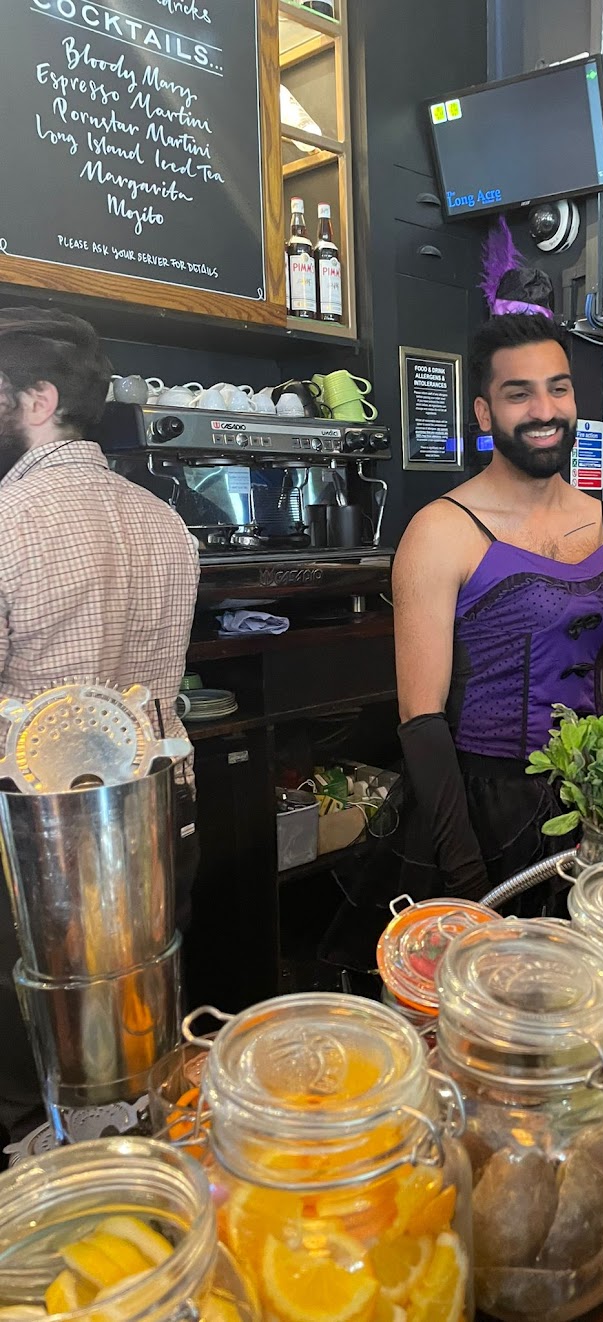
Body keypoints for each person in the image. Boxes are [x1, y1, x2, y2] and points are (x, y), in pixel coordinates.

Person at [0, 308, 199, 1132]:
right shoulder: (165, 521)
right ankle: (154, 1195)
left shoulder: (7, 524)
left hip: (41, 841)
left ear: (39, 400)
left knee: (37, 1078)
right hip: (157, 813)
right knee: (136, 1043)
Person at [390, 313, 603, 902]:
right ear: (484, 413)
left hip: (590, 804)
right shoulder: (440, 532)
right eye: (518, 393)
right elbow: (420, 718)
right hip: (480, 808)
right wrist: (466, 878)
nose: (544, 410)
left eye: (558, 387)